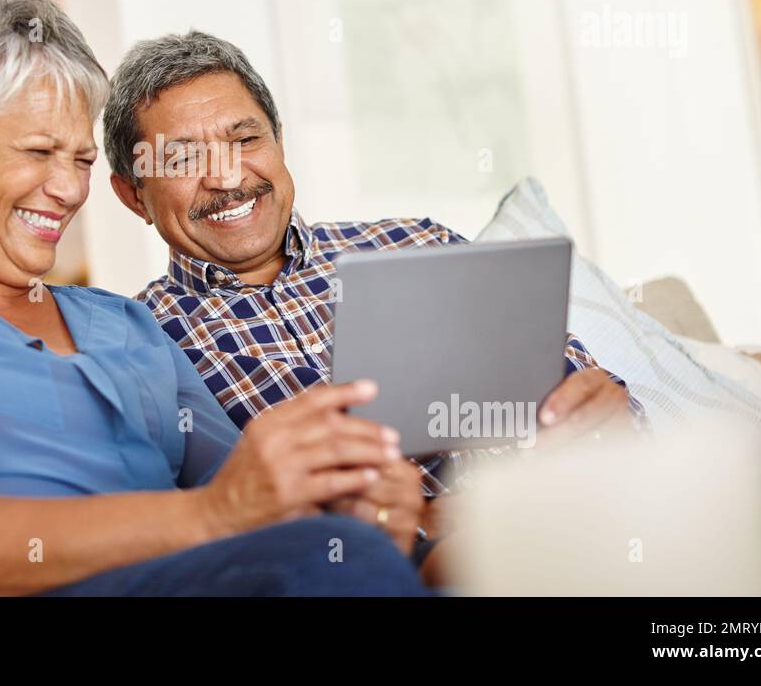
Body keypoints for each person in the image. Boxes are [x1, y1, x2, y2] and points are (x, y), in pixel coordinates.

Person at [0, 0, 430, 596]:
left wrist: (356, 508)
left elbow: (257, 503)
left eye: (80, 160)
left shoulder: (127, 326)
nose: (71, 189)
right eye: (39, 153)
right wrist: (213, 516)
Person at [102, 30, 648, 580]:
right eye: (184, 158)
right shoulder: (142, 342)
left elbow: (599, 405)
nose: (227, 176)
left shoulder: (418, 243)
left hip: (582, 524)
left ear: (279, 142)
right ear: (133, 195)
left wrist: (606, 413)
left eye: (245, 140)